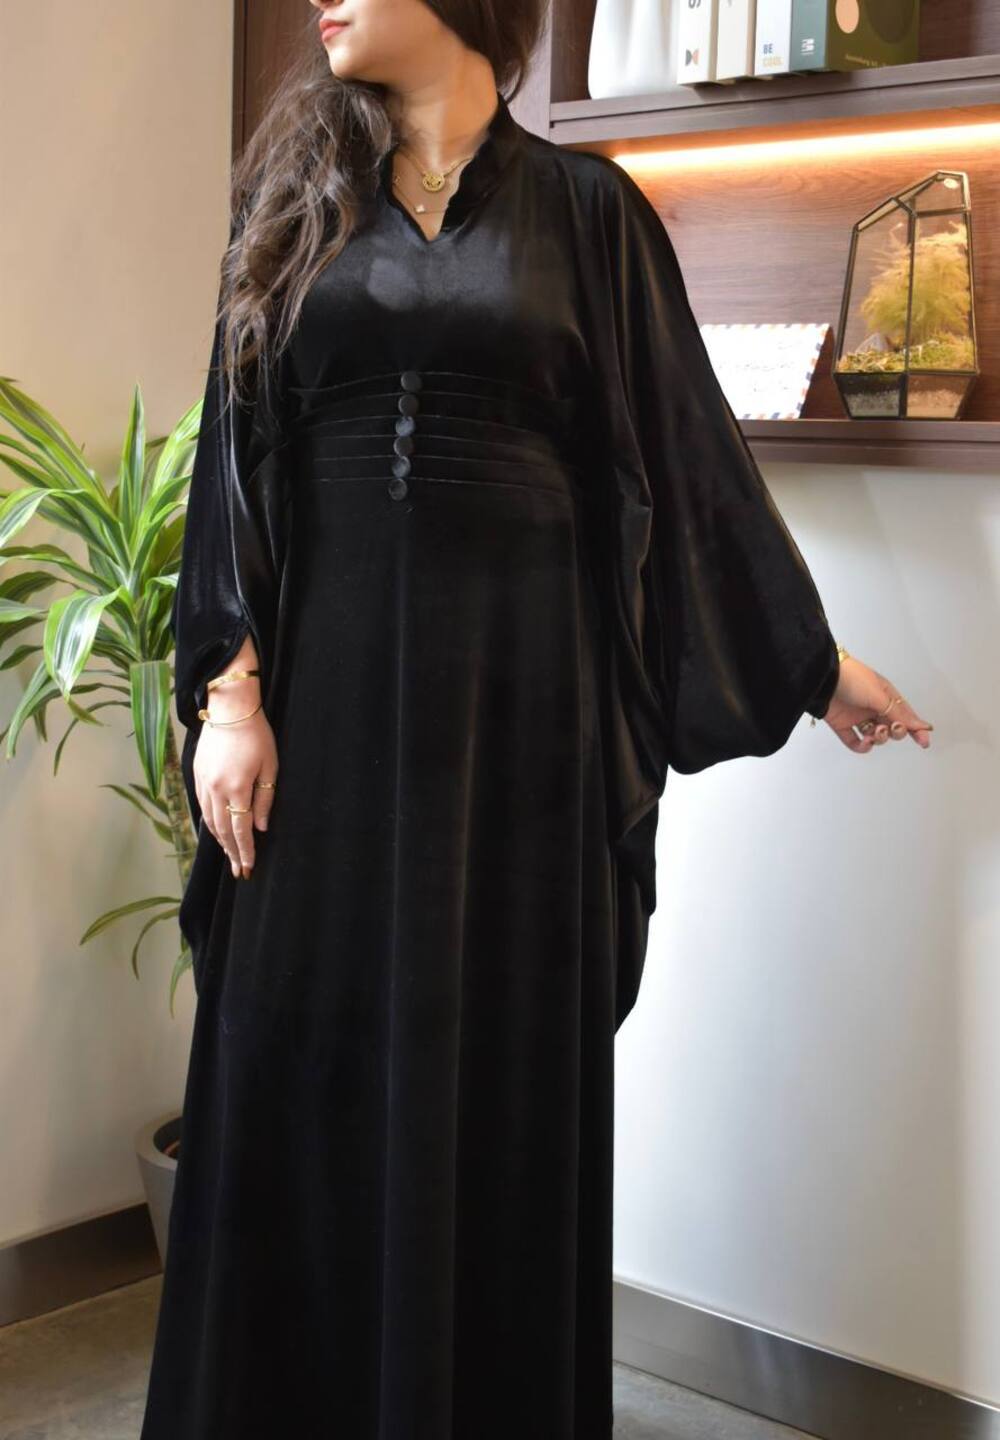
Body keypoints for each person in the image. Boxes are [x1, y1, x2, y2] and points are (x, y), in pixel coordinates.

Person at [140, 2, 934, 1437]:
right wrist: (230, 695)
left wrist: (812, 669)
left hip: (522, 742)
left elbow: (686, 457)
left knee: (491, 1081)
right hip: (320, 721)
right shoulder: (296, 201)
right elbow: (237, 451)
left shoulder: (589, 214)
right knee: (295, 1059)